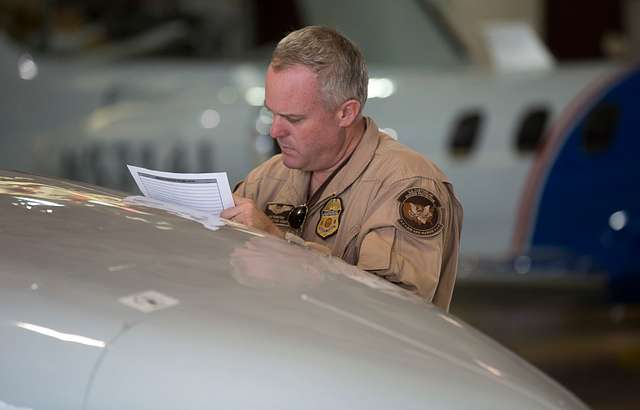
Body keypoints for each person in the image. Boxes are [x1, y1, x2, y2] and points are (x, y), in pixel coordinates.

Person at [221, 26, 463, 310]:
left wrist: (278, 245)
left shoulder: (408, 185)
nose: (275, 131)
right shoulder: (267, 177)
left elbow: (394, 307)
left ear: (346, 112)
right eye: (271, 113)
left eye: (294, 119)